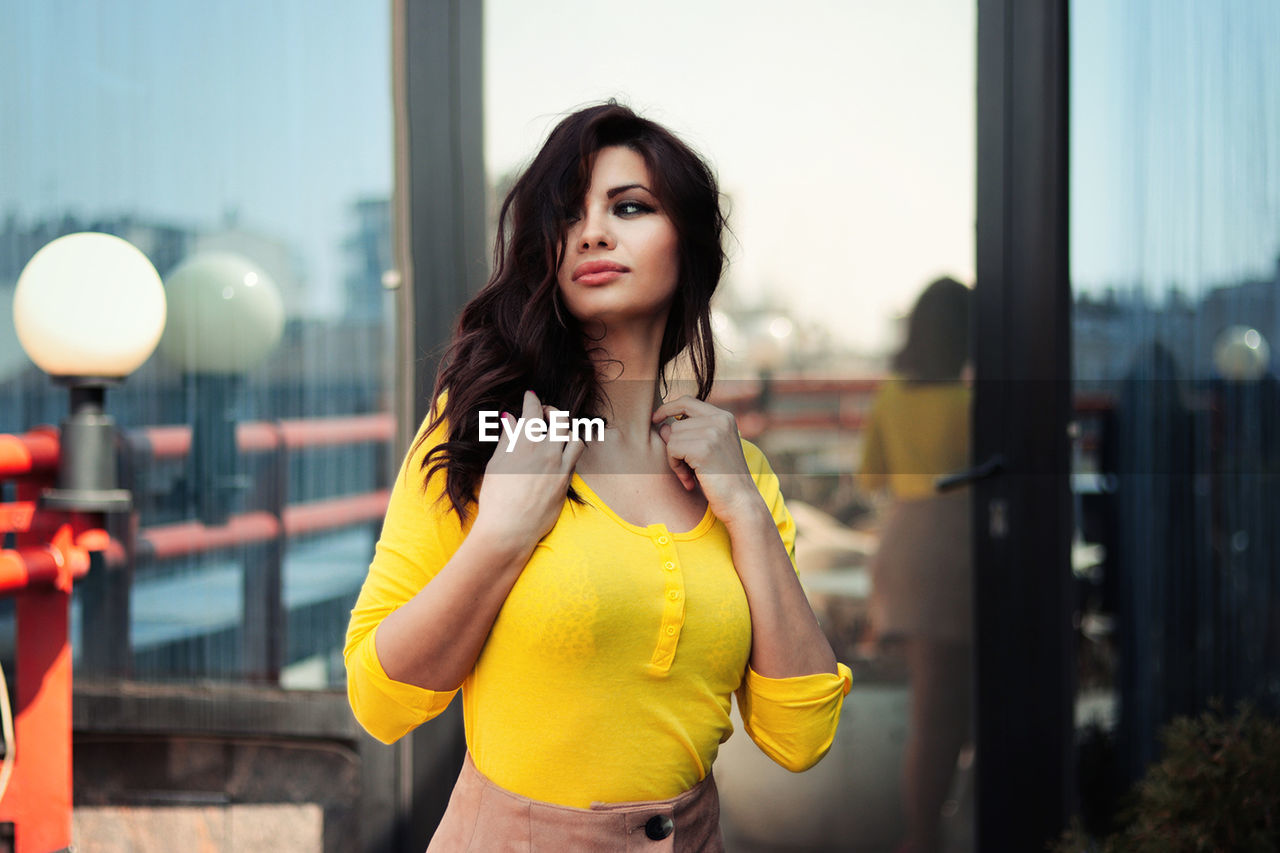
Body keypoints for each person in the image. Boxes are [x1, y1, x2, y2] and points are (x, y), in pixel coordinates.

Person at [344, 102, 852, 851]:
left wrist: (742, 506)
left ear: (690, 241)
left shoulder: (732, 472)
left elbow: (800, 735)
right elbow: (378, 698)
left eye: (630, 206)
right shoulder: (487, 431)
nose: (593, 231)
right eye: (567, 214)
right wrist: (502, 536)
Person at [857, 276, 973, 853]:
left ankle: (923, 835)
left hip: (904, 544)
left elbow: (871, 476)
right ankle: (923, 838)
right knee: (953, 712)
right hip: (956, 549)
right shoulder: (974, 400)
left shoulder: (893, 393)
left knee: (933, 708)